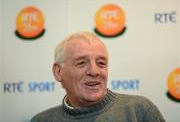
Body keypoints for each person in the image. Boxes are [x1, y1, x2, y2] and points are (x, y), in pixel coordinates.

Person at [31, 31, 165, 122]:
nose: (94, 71)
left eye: (101, 63)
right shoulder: (41, 120)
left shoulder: (140, 110)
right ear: (58, 72)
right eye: (81, 63)